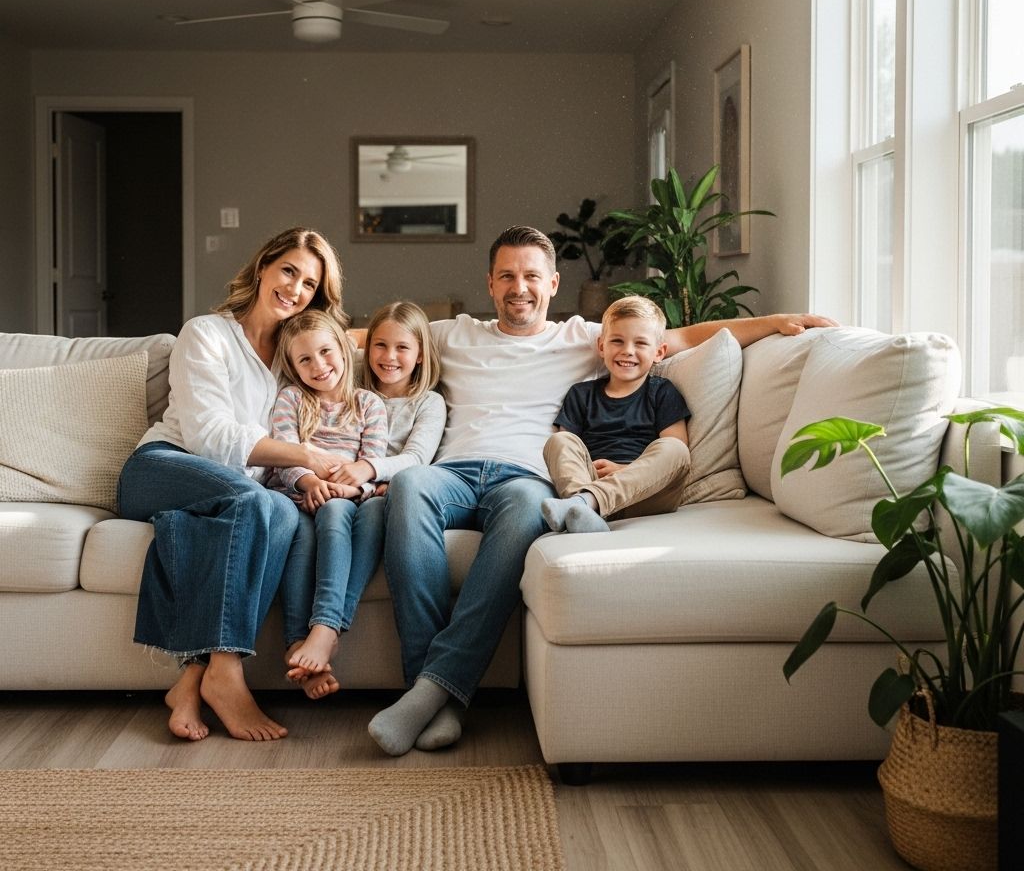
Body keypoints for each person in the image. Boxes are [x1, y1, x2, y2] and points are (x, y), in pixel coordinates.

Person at [368, 225, 837, 757]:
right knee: (406, 484)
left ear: (552, 284)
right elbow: (370, 338)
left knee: (527, 508)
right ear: (490, 284)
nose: (519, 287)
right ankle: (434, 693)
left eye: (531, 276)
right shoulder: (451, 333)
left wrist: (775, 322)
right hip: (450, 471)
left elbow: (679, 338)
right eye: (507, 276)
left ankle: (430, 690)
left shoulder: (583, 337)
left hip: (526, 477)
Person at [117, 226, 346, 743]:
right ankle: (227, 672)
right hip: (162, 468)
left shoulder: (296, 361)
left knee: (280, 511)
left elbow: (355, 351)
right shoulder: (207, 334)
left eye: (310, 284)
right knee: (256, 499)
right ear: (264, 266)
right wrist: (305, 454)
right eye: (288, 271)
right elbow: (209, 435)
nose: (295, 288)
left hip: (232, 495)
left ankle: (194, 677)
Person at [269, 309, 388, 700]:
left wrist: (348, 491)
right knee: (298, 536)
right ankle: (297, 643)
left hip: (346, 501)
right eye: (305, 359)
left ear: (344, 348)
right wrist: (308, 480)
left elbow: (372, 466)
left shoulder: (368, 404)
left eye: (325, 352)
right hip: (297, 496)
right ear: (292, 366)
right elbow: (284, 452)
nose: (318, 365)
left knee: (340, 512)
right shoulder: (290, 399)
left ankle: (323, 630)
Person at [540, 295, 690, 534]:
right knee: (558, 441)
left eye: (640, 343)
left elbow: (677, 456)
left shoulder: (662, 392)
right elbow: (569, 456)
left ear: (659, 352)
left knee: (675, 448)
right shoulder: (581, 394)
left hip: (646, 493)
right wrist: (592, 481)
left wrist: (623, 470)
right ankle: (585, 512)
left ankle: (586, 504)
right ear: (601, 346)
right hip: (591, 480)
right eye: (617, 341)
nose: (628, 351)